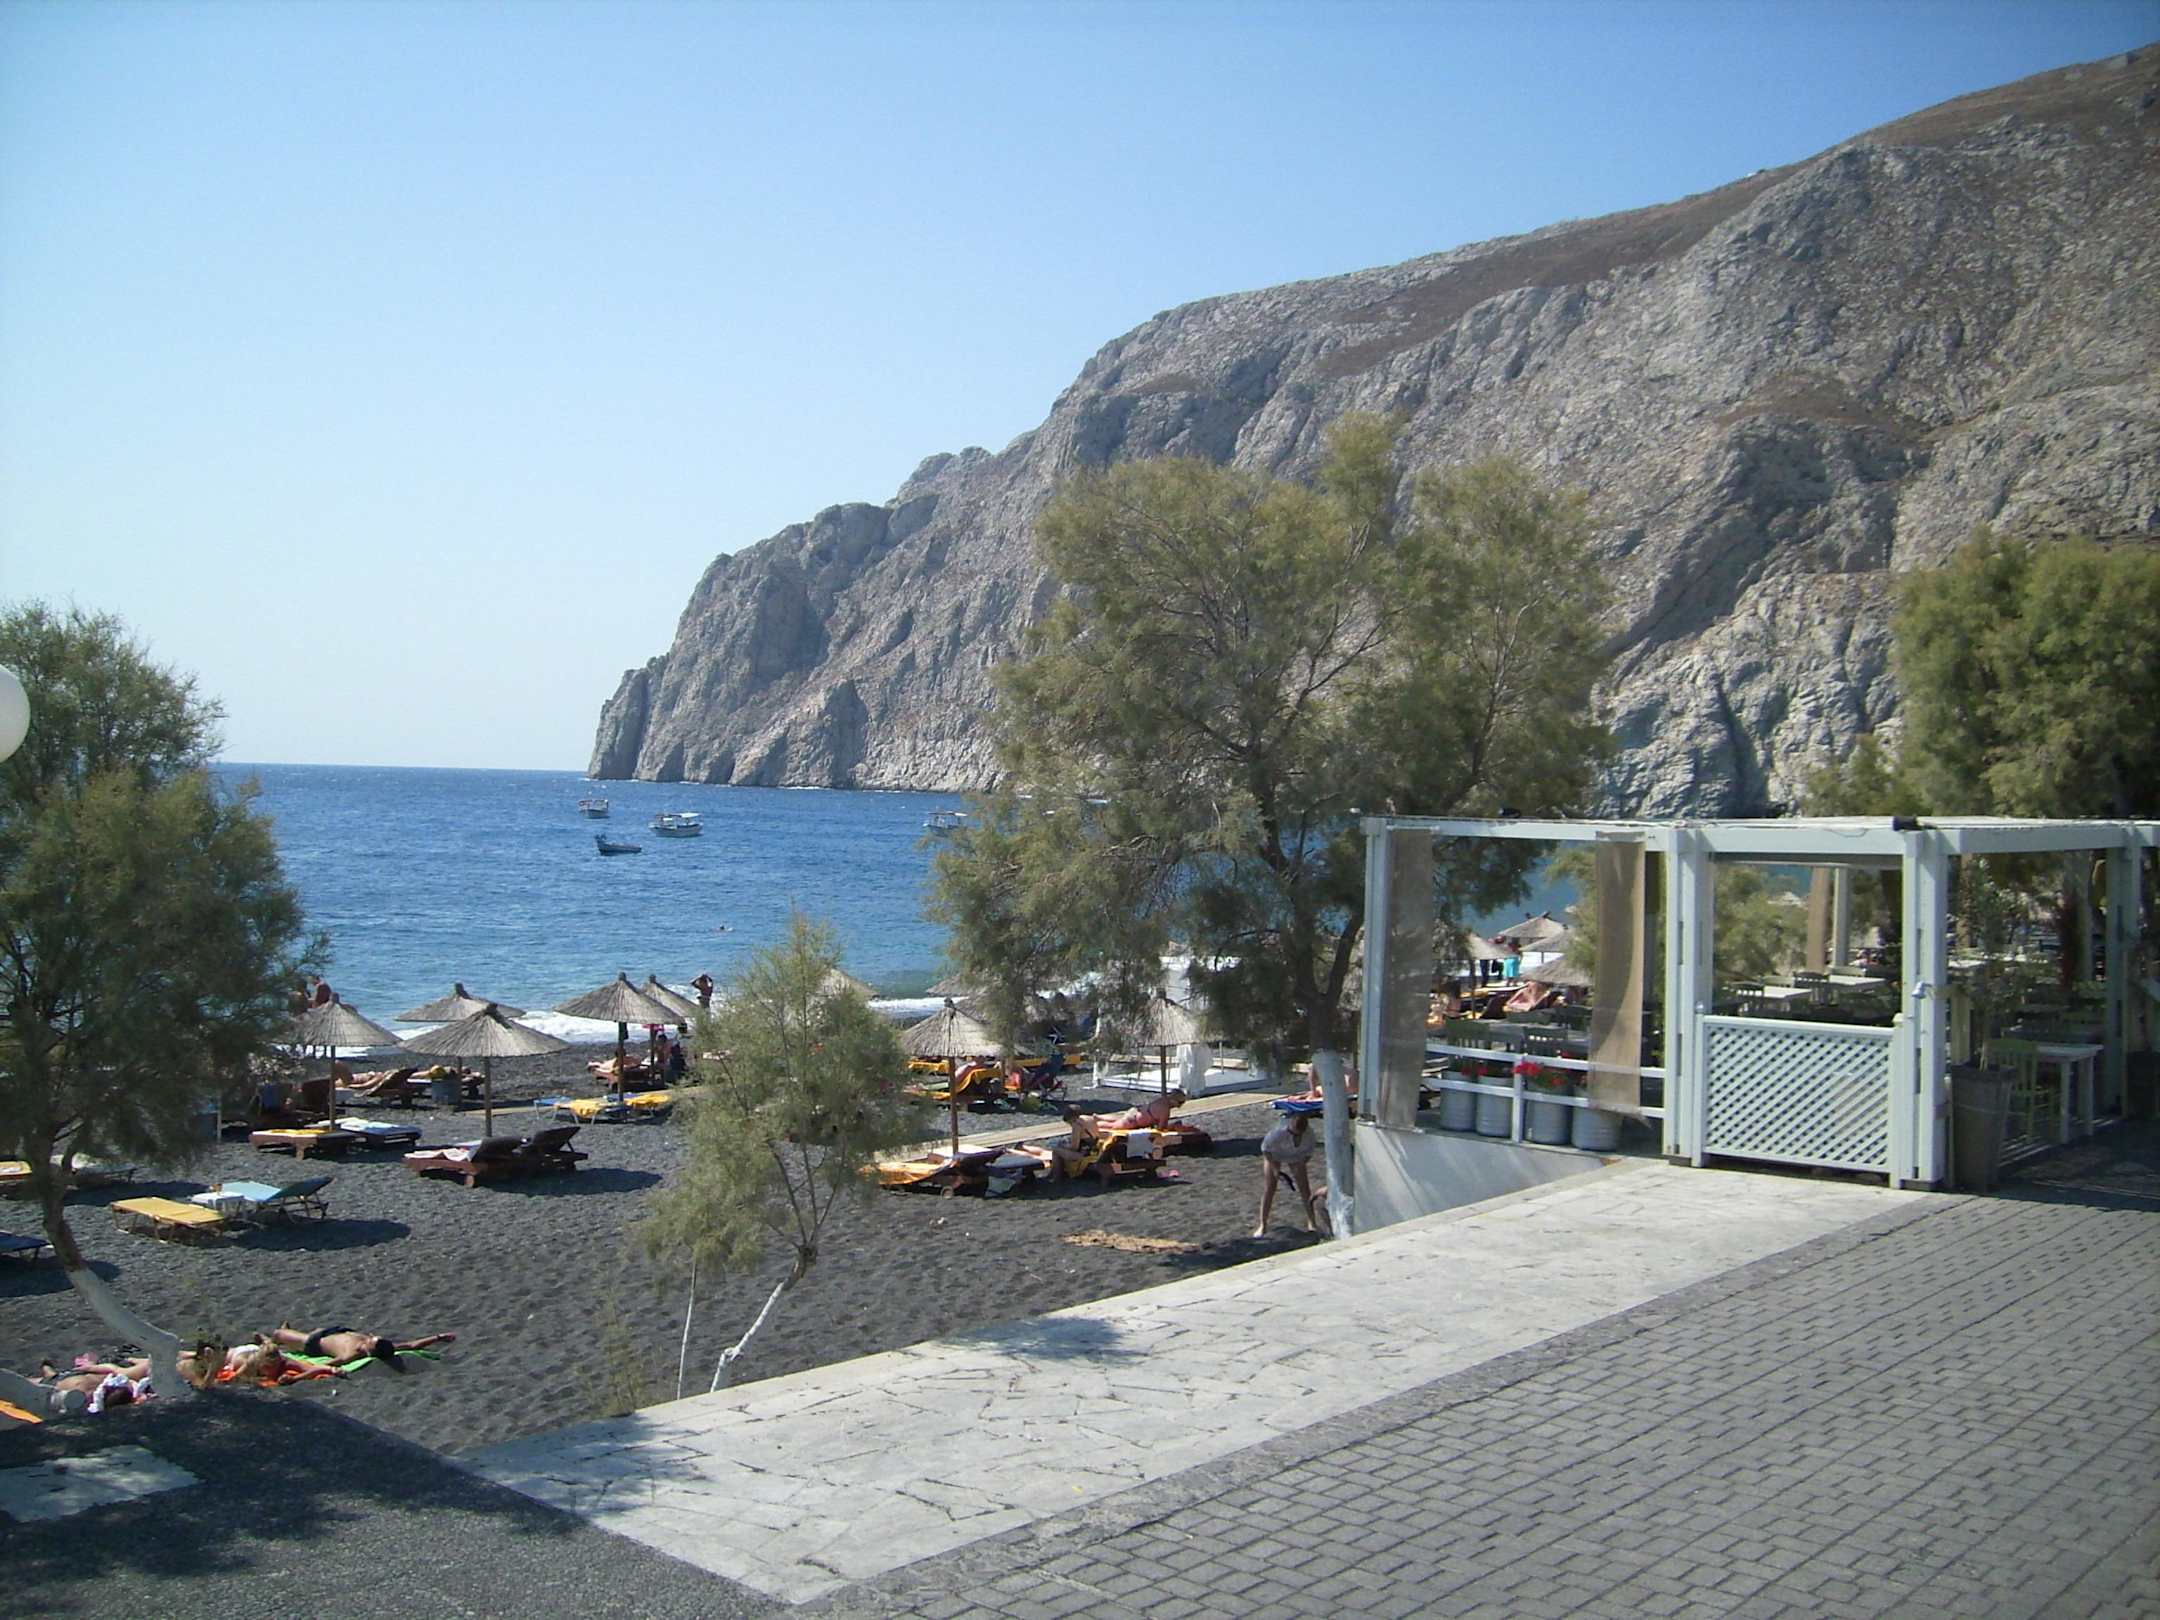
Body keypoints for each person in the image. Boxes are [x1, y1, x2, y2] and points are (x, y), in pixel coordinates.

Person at [264, 1324, 457, 1370]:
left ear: (369, 1350)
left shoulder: (352, 1354)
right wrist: (438, 1337)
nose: (370, 1337)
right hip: (335, 1330)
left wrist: (302, 1368)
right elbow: (412, 1344)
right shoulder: (380, 1346)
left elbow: (329, 1364)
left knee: (278, 1334)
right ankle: (285, 1333)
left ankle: (268, 1340)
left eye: (371, 1340)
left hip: (313, 1343)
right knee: (286, 1334)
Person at [1254, 1112, 1324, 1238]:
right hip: (1274, 1153)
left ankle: (1312, 1222)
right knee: (1270, 1187)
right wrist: (1275, 1170)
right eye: (1294, 1133)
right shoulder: (1277, 1133)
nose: (1296, 1136)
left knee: (1304, 1188)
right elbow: (1265, 1150)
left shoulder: (1309, 1134)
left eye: (1299, 1135)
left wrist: (1301, 1165)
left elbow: (1308, 1153)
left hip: (1296, 1155)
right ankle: (1263, 1225)